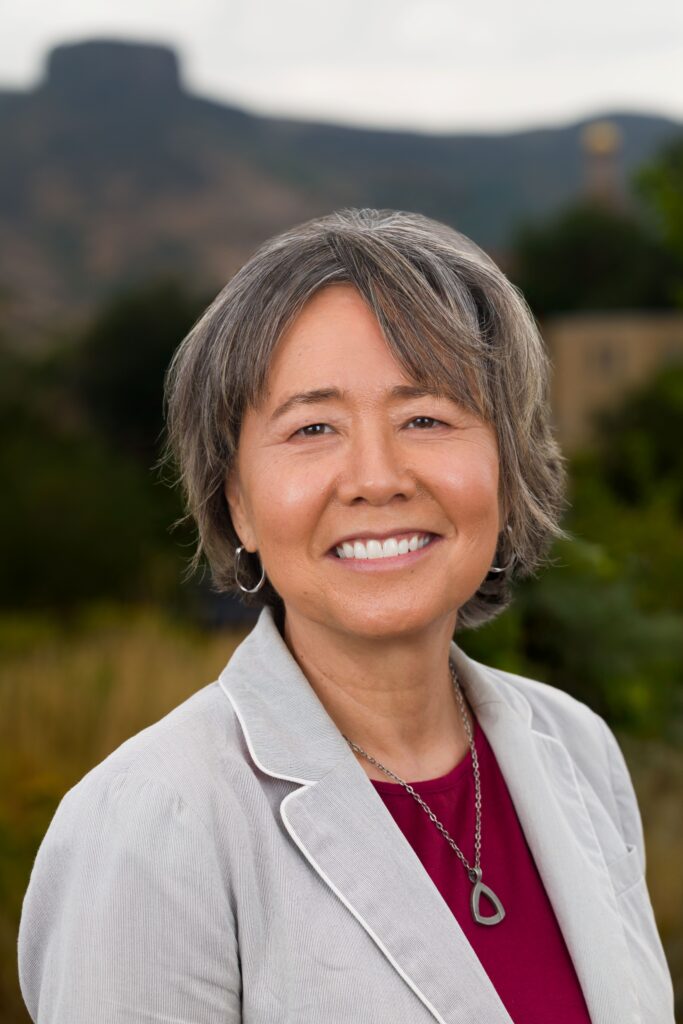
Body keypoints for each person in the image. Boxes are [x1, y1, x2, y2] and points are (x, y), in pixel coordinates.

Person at [18, 208, 675, 1023]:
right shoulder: (154, 820)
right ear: (238, 505)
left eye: (425, 419)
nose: (375, 477)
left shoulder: (577, 749)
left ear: (505, 470)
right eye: (313, 427)